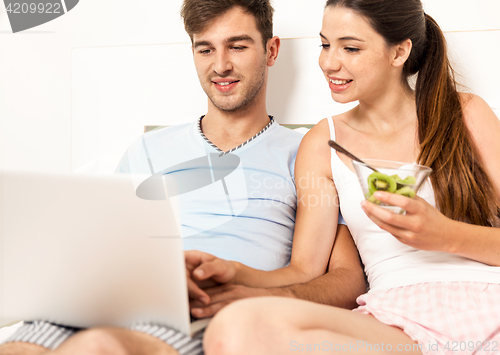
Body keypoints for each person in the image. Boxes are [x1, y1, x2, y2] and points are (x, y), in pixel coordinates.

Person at [0, 1, 364, 355]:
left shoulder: (307, 153)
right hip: (117, 298)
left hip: (206, 310)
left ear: (271, 50)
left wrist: (257, 294)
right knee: (20, 346)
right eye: (205, 49)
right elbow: (101, 250)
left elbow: (348, 279)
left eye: (237, 46)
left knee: (99, 347)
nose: (220, 65)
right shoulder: (146, 148)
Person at [201, 0, 500, 354]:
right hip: (394, 321)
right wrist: (234, 271)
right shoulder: (322, 144)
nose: (329, 62)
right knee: (237, 326)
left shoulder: (466, 114)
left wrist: (444, 234)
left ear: (399, 51)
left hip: (487, 299)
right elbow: (305, 270)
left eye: (351, 48)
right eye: (325, 44)